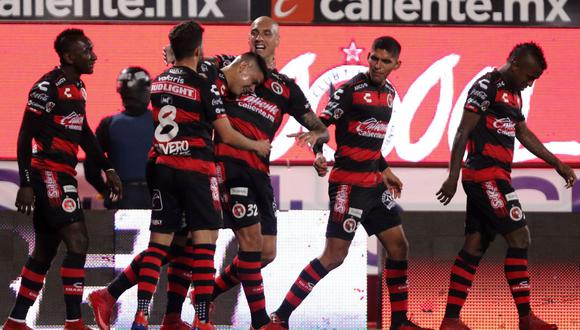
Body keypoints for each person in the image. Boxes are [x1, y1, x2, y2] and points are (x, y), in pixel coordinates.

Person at [269, 36, 429, 330]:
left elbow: (368, 138)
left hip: (374, 184)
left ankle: (399, 323)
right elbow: (320, 126)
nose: (378, 65)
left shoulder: (390, 94)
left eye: (385, 61)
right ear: (368, 57)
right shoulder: (349, 91)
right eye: (374, 58)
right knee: (333, 256)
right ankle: (280, 317)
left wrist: (385, 168)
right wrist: (318, 153)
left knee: (398, 247)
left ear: (397, 64)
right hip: (348, 185)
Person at [126, 21, 271, 330]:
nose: (250, 90)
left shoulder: (159, 81)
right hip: (195, 171)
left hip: (162, 167)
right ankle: (203, 321)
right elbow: (227, 134)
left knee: (159, 245)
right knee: (205, 245)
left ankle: (140, 316)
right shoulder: (202, 84)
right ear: (196, 50)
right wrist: (256, 145)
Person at [190, 17, 329, 325]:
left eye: (267, 32)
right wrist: (180, 57)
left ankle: (207, 293)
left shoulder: (287, 88)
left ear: (278, 40)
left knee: (266, 252)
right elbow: (196, 67)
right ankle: (260, 321)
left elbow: (320, 128)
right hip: (229, 165)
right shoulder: (228, 65)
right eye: (254, 32)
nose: (259, 37)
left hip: (259, 174)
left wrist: (318, 149)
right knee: (251, 243)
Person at [436, 42, 576, 330]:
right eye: (529, 76)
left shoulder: (514, 96)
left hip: (495, 177)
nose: (529, 83)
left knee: (473, 247)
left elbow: (523, 132)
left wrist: (557, 163)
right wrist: (452, 177)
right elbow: (463, 131)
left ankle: (450, 320)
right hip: (485, 176)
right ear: (515, 65)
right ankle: (526, 319)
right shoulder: (485, 86)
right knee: (520, 237)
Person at [2, 29, 122, 330]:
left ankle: (16, 321)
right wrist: (27, 182)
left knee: (44, 250)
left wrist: (107, 167)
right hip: (48, 174)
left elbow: (83, 133)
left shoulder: (78, 88)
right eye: (87, 50)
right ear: (69, 57)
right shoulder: (46, 87)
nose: (94, 56)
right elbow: (24, 136)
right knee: (78, 239)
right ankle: (73, 322)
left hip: (63, 173)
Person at [84, 66, 153, 209]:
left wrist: (106, 192)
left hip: (121, 201)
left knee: (122, 233)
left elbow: (91, 168)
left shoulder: (108, 124)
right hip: (157, 198)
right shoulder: (162, 122)